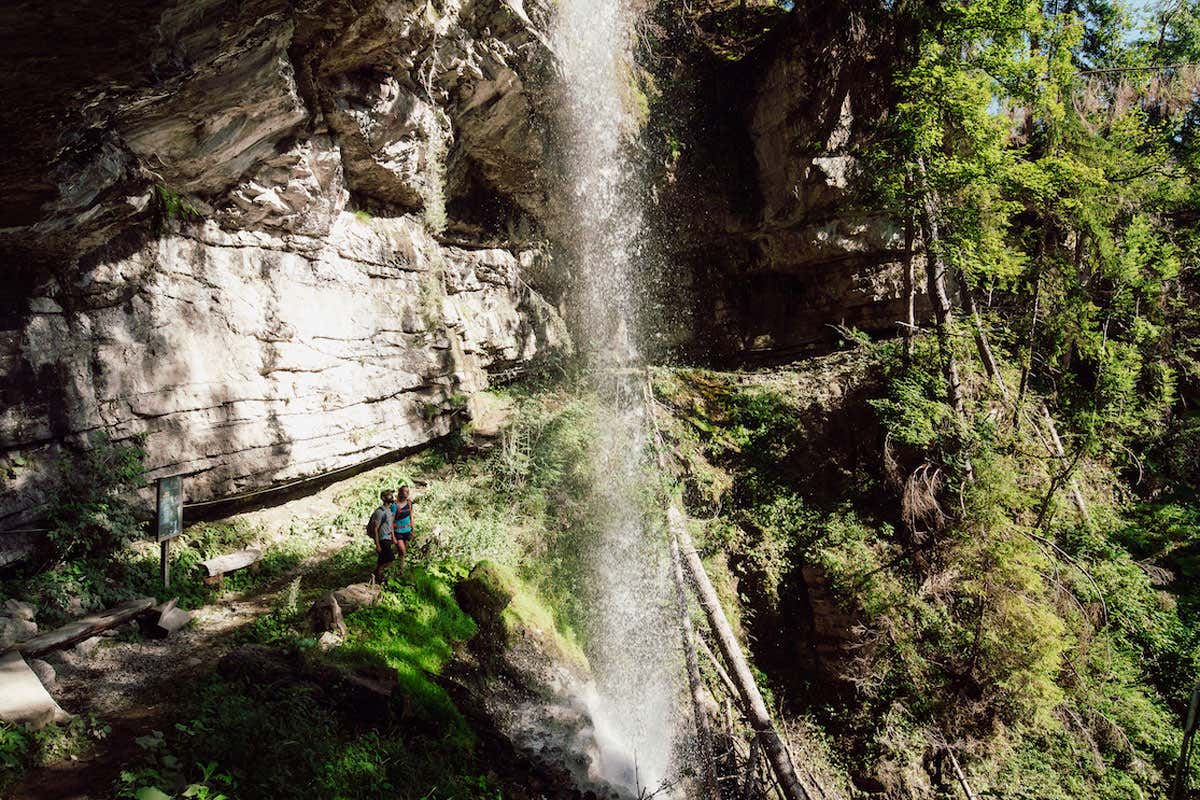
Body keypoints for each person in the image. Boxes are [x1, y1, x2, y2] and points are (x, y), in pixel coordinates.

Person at [370, 489, 397, 584]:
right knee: (390, 559)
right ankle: (380, 578)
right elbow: (375, 529)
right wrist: (377, 544)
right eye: (389, 495)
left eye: (391, 495)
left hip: (388, 538)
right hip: (382, 539)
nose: (391, 497)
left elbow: (390, 525)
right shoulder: (380, 512)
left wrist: (393, 537)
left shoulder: (389, 511)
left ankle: (374, 578)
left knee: (381, 561)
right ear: (383, 498)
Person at [391, 485, 415, 575]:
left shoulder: (409, 503)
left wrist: (413, 529)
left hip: (407, 531)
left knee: (402, 554)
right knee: (402, 551)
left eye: (408, 491)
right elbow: (391, 521)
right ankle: (401, 570)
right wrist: (392, 536)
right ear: (400, 492)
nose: (407, 493)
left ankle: (399, 570)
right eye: (404, 491)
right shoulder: (394, 506)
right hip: (398, 533)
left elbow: (411, 517)